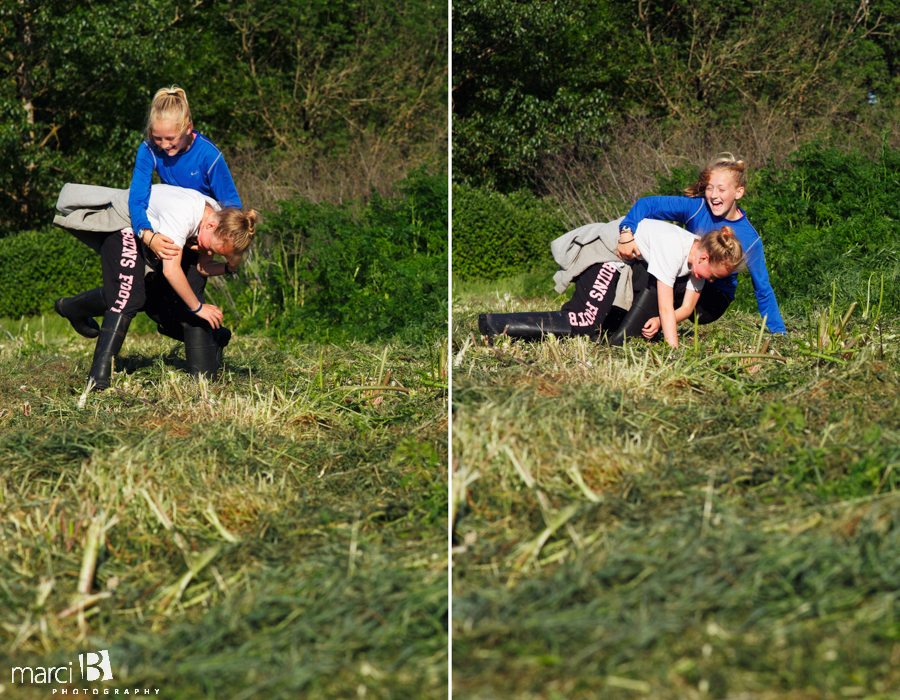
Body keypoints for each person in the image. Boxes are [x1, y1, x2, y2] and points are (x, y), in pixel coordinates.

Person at [52, 183, 257, 390]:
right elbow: (171, 271)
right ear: (211, 226)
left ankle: (204, 382)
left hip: (153, 231)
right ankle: (98, 380)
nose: (207, 251)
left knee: (163, 297)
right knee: (129, 295)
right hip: (126, 220)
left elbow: (203, 268)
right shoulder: (183, 214)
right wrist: (198, 307)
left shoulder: (218, 218)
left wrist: (229, 268)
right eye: (211, 247)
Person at [479, 220, 743, 348]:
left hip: (627, 267)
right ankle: (495, 324)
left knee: (600, 330)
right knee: (584, 321)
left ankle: (539, 326)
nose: (710, 281)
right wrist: (674, 355)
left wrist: (663, 324)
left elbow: (685, 309)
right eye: (713, 276)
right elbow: (664, 306)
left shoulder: (699, 261)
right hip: (608, 251)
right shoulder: (674, 250)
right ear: (705, 256)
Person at [614, 155, 786, 336]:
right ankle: (623, 321)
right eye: (710, 188)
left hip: (711, 298)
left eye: (721, 189)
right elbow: (647, 204)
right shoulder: (696, 208)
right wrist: (626, 232)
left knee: (661, 277)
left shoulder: (750, 239)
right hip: (690, 275)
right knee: (646, 267)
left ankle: (635, 330)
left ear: (738, 193)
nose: (714, 195)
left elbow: (763, 288)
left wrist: (779, 332)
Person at [129, 86, 243, 266]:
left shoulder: (209, 156)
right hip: (166, 229)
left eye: (171, 138)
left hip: (201, 236)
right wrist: (148, 236)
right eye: (158, 138)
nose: (164, 145)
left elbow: (232, 207)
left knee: (190, 286)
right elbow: (136, 197)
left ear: (188, 128)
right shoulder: (148, 149)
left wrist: (210, 242)